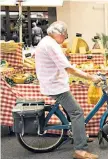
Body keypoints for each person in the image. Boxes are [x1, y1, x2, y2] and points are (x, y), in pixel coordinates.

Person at [35, 21, 101, 159]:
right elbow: (68, 68)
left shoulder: (47, 42)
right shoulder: (51, 45)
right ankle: (80, 150)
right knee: (77, 112)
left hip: (53, 83)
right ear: (58, 34)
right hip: (55, 86)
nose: (64, 39)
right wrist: (89, 77)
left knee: (71, 113)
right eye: (64, 36)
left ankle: (79, 135)